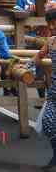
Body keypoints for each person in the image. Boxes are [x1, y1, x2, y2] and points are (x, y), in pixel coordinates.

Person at [38, 9, 56, 168]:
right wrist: (27, 66)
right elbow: (38, 56)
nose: (51, 27)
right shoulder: (51, 42)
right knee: (48, 123)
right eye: (50, 24)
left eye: (53, 23)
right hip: (54, 92)